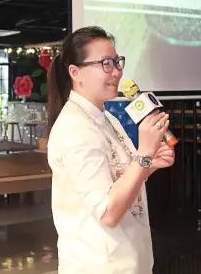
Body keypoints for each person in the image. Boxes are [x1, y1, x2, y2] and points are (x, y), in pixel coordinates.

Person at [46, 26, 175, 273]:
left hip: (128, 257)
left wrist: (149, 163)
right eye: (105, 63)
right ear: (75, 72)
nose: (116, 71)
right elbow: (108, 212)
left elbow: (118, 179)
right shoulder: (75, 129)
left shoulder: (107, 117)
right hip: (100, 264)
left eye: (117, 62)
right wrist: (144, 155)